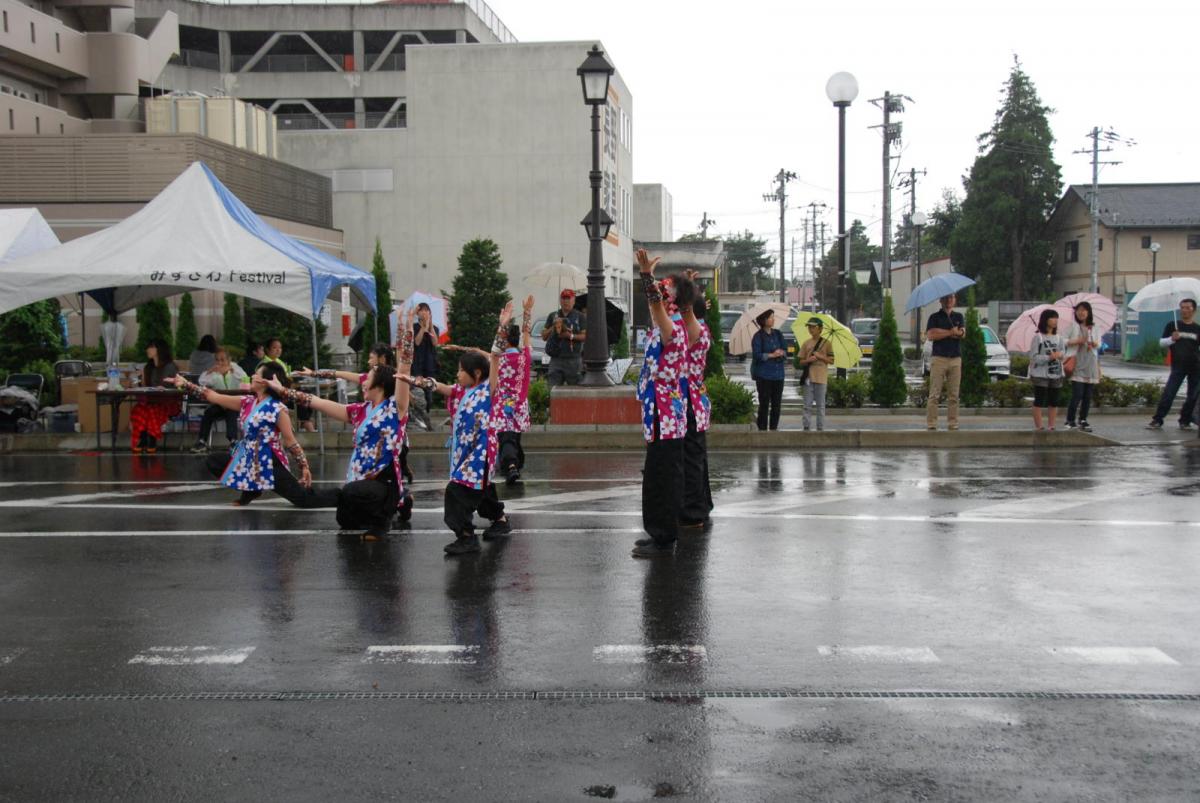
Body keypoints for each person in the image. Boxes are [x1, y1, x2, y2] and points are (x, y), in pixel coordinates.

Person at [267, 319, 414, 539]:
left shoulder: (396, 408)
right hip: (359, 474)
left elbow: (404, 370)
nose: (363, 382)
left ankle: (386, 515)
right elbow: (318, 402)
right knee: (345, 520)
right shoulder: (360, 410)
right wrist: (285, 391)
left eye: (368, 380)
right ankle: (403, 501)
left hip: (383, 478)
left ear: (381, 385)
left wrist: (407, 337)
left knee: (356, 493)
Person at [405, 307, 513, 556]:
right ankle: (501, 520)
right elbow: (441, 386)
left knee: (457, 490)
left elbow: (495, 358)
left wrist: (502, 327)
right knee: (482, 490)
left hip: (481, 452)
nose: (457, 374)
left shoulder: (489, 390)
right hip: (467, 452)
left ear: (476, 374)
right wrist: (413, 380)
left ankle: (466, 536)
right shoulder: (463, 390)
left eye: (461, 370)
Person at [170, 363, 312, 506]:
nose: (252, 376)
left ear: (264, 382)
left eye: (256, 374)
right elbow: (213, 396)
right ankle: (252, 489)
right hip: (248, 457)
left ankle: (335, 496)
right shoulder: (247, 402)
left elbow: (290, 441)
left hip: (270, 462)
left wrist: (304, 466)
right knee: (214, 461)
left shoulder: (278, 409)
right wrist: (187, 384)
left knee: (303, 500)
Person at [631, 248, 695, 558]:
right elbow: (654, 307)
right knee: (655, 474)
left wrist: (646, 276)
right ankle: (657, 532)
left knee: (664, 476)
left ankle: (665, 538)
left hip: (667, 413)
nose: (660, 292)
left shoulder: (675, 327)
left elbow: (655, 307)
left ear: (676, 301)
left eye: (665, 289)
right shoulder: (666, 324)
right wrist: (650, 280)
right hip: (659, 411)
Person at [493, 295, 535, 486]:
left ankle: (510, 465)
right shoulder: (524, 356)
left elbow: (494, 350)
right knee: (514, 435)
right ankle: (515, 463)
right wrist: (527, 313)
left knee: (506, 435)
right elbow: (527, 335)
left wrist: (502, 325)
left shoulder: (498, 359)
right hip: (520, 404)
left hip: (504, 403)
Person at [679, 292, 713, 528]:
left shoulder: (695, 333)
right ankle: (701, 504)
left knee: (690, 458)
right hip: (696, 398)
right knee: (697, 457)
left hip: (688, 400)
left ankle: (692, 512)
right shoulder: (702, 329)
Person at [1148, 298, 1200, 430]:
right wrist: (1172, 338)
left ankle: (1185, 420)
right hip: (1178, 365)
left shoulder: (1197, 328)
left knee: (1192, 395)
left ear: (1193, 310)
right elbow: (1161, 343)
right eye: (1182, 307)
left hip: (1195, 366)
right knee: (1169, 393)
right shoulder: (1173, 325)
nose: (1184, 310)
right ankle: (1158, 419)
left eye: (1187, 308)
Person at [190, 347, 249, 453]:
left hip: (234, 402)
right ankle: (202, 441)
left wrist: (231, 370)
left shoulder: (235, 368)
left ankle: (233, 441)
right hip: (219, 404)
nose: (220, 362)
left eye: (223, 359)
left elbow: (244, 377)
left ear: (228, 359)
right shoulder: (214, 370)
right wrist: (210, 372)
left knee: (231, 410)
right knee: (208, 412)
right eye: (217, 360)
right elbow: (202, 381)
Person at [129, 338, 179, 453]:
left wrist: (165, 389)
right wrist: (140, 380)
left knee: (150, 409)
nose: (148, 350)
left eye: (151, 347)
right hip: (152, 401)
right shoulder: (148, 367)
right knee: (139, 409)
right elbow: (145, 387)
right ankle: (144, 439)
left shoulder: (170, 366)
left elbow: (177, 386)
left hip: (168, 402)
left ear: (159, 350)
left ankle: (150, 439)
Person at [925, 294, 965, 431]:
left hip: (955, 359)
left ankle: (953, 423)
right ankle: (932, 423)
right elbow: (931, 335)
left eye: (952, 297)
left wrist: (956, 333)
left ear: (955, 300)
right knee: (934, 393)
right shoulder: (934, 317)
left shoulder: (959, 317)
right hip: (939, 358)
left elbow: (962, 333)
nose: (949, 300)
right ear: (941, 300)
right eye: (946, 298)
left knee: (954, 395)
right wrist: (949, 332)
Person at [259, 336, 316, 433]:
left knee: (308, 395)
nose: (278, 350)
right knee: (299, 398)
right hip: (275, 394)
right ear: (267, 350)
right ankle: (306, 422)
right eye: (275, 348)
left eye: (280, 348)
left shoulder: (279, 362)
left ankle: (305, 421)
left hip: (284, 390)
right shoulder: (264, 365)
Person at [1064, 301, 1102, 432]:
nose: (1081, 312)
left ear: (1089, 312)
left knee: (1087, 396)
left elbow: (1100, 343)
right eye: (1079, 310)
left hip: (1091, 362)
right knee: (1077, 394)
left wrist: (1094, 343)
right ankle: (1070, 420)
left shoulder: (1095, 327)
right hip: (1077, 362)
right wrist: (1077, 341)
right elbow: (1062, 340)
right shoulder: (1073, 326)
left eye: (1084, 310)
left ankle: (1083, 419)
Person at [1028, 309, 1065, 432]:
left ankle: (1051, 425)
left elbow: (1063, 353)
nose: (1055, 321)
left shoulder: (1059, 337)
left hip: (1056, 373)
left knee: (1054, 401)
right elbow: (1033, 357)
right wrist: (1048, 357)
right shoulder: (1038, 337)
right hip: (1040, 374)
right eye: (1052, 318)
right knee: (1039, 399)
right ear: (1045, 320)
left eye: (1056, 318)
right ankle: (1039, 426)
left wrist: (1059, 355)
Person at [541, 289, 586, 386]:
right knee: (552, 390)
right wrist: (553, 327)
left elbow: (585, 336)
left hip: (574, 359)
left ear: (574, 300)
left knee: (574, 391)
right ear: (560, 300)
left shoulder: (580, 316)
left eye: (568, 298)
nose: (566, 301)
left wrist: (570, 336)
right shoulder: (553, 315)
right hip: (556, 358)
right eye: (563, 298)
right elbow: (544, 336)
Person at [750, 309, 786, 431]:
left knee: (776, 405)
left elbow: (785, 350)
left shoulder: (778, 334)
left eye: (773, 317)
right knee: (764, 404)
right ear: (764, 320)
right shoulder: (758, 336)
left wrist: (781, 352)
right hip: (764, 375)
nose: (773, 319)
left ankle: (774, 429)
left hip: (778, 375)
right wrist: (771, 355)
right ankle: (762, 429)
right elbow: (757, 355)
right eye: (770, 317)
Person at [798, 317, 834, 432]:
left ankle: (820, 427)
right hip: (809, 377)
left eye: (813, 327)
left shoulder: (827, 343)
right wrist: (809, 360)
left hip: (821, 377)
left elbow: (832, 360)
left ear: (820, 329)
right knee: (807, 405)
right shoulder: (806, 343)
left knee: (821, 405)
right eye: (809, 327)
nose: (811, 329)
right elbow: (801, 361)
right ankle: (806, 426)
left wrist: (820, 357)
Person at [411, 302, 441, 411]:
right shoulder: (414, 327)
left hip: (430, 364)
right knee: (418, 391)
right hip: (417, 364)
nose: (424, 312)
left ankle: (427, 413)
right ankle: (420, 415)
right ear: (417, 313)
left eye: (426, 310)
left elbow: (435, 343)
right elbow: (417, 342)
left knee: (429, 392)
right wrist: (423, 328)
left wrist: (430, 326)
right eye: (422, 310)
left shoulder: (435, 328)